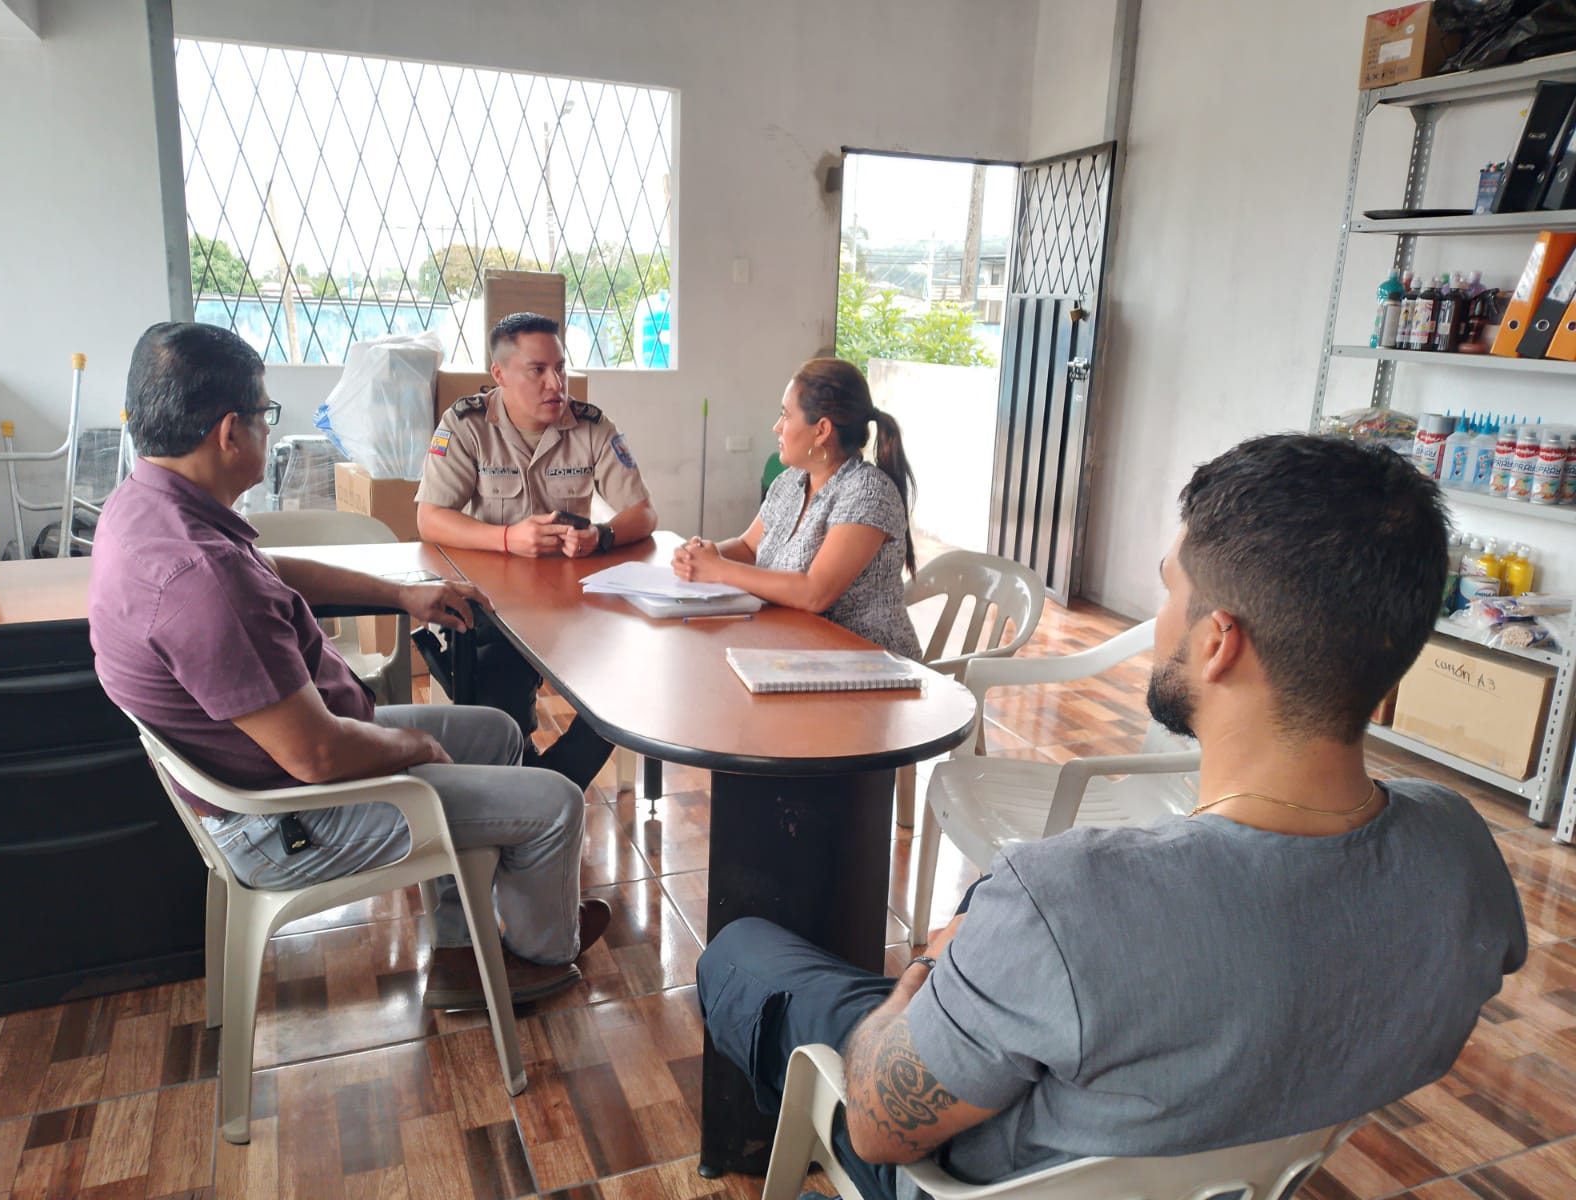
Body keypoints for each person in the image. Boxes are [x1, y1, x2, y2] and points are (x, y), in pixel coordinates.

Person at [697, 434, 1527, 1200]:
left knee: (741, 951)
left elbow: (881, 1128)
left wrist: (925, 973)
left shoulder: (1067, 899)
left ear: (1219, 643)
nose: (1158, 620)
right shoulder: (1460, 850)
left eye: (1170, 589)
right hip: (1245, 1147)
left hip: (966, 1174)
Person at [90, 322, 610, 1010]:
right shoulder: (200, 579)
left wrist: (401, 593)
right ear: (229, 433)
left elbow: (266, 568)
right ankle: (539, 958)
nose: (269, 428)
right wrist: (414, 747)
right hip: (291, 818)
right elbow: (319, 756)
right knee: (556, 803)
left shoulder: (148, 507)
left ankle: (465, 942)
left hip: (285, 763)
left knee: (497, 732)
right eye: (266, 414)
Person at [417, 312, 657, 789]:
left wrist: (602, 536)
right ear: (500, 374)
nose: (556, 383)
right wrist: (507, 538)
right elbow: (430, 518)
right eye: (538, 370)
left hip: (574, 603)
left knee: (633, 671)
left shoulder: (591, 425)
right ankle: (530, 781)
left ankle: (548, 784)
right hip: (496, 604)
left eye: (560, 368)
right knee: (497, 687)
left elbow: (643, 513)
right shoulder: (466, 424)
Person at [672, 358, 920, 660]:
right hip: (797, 651)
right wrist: (700, 556)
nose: (776, 427)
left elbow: (815, 593)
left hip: (869, 665)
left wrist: (719, 569)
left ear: (821, 430)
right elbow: (749, 548)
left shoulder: (868, 492)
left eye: (785, 415)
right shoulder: (791, 481)